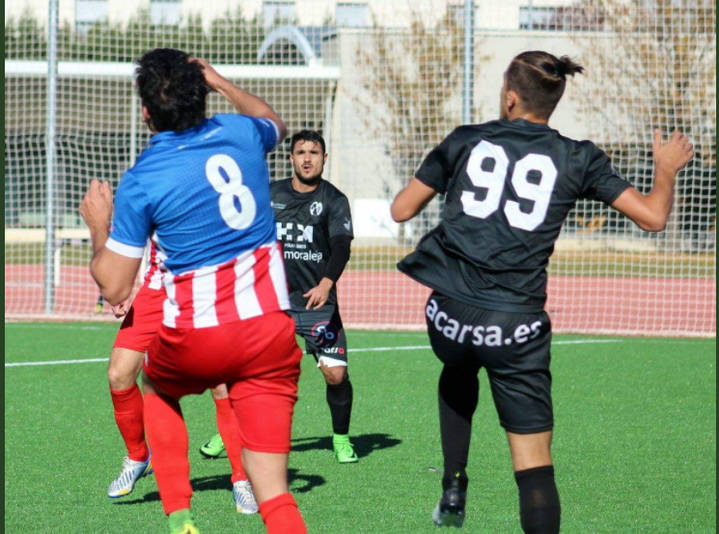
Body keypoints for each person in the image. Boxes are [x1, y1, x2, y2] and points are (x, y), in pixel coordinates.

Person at [390, 50, 693, 532]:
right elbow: (654, 218)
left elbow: (402, 210)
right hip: (515, 326)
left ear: (509, 98)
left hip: (449, 314)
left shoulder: (467, 140)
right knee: (532, 464)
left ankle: (453, 483)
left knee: (459, 362)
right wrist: (666, 169)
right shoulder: (578, 157)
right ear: (554, 102)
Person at [80, 48, 307, 534]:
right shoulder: (243, 134)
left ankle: (180, 515)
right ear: (203, 93)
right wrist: (222, 82)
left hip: (201, 333)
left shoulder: (145, 176)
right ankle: (249, 493)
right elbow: (273, 121)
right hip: (272, 334)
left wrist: (99, 226)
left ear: (145, 113)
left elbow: (113, 283)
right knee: (278, 498)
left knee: (157, 386)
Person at [201, 130, 358, 464]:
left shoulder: (334, 200)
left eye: (314, 152)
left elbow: (342, 246)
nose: (307, 158)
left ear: (324, 159)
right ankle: (228, 432)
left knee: (335, 374)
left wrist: (327, 283)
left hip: (318, 305)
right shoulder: (269, 195)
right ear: (290, 158)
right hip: (272, 305)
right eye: (301, 152)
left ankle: (341, 439)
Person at [105, 241, 258, 515]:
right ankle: (139, 457)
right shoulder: (149, 197)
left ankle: (242, 479)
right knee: (119, 374)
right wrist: (123, 289)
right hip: (154, 293)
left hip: (205, 294)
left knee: (221, 386)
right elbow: (131, 242)